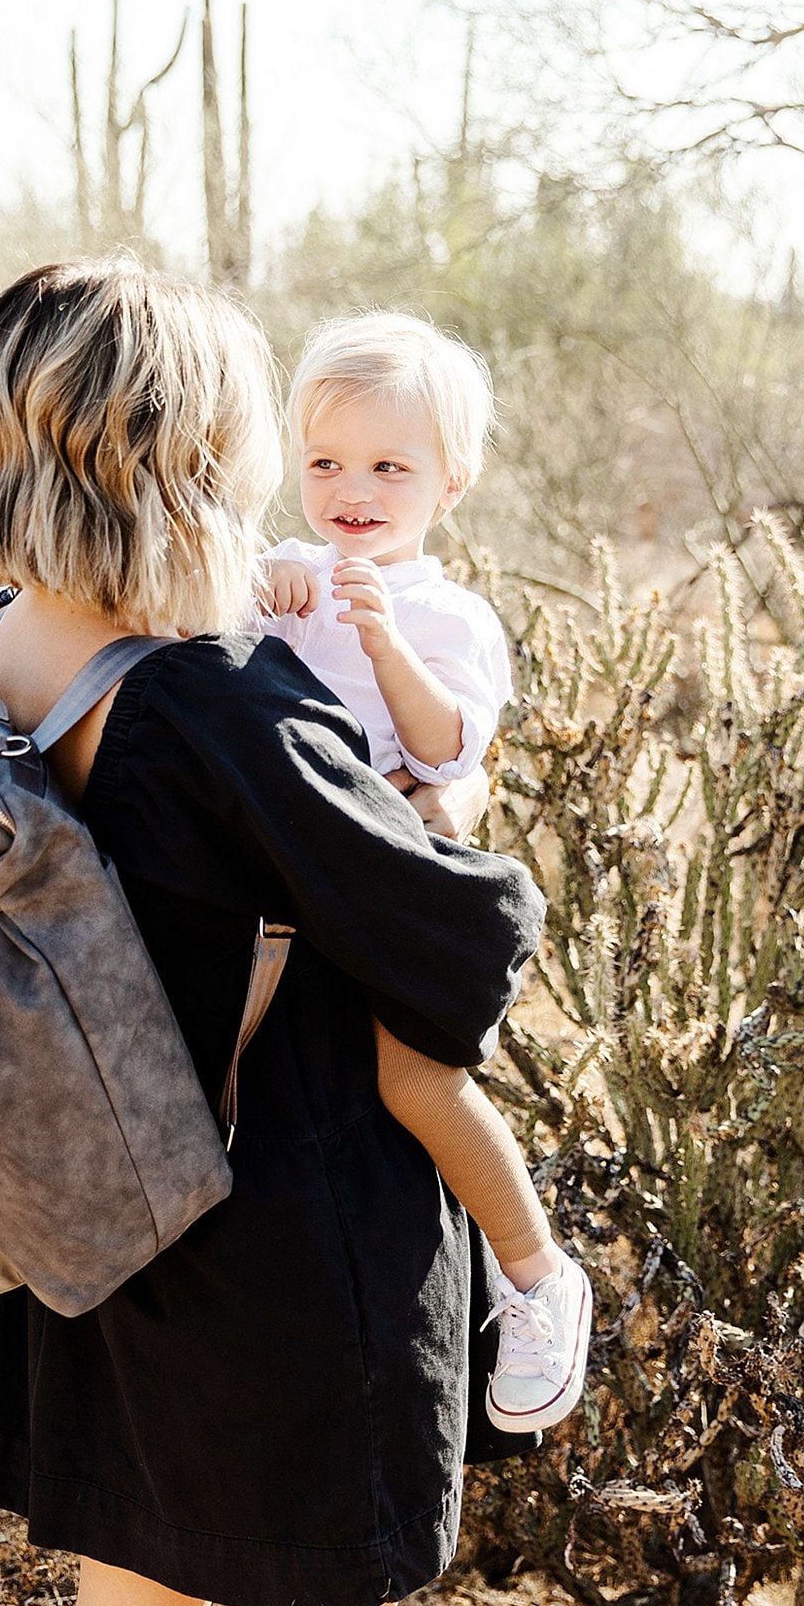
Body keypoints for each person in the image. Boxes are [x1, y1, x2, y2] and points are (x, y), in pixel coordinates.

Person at [0, 260, 548, 1606]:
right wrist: (462, 803)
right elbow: (462, 938)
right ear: (190, 449)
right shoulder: (214, 693)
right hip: (294, 1242)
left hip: (105, 1218)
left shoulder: (4, 642)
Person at [257, 313, 591, 1434]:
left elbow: (450, 753)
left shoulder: (449, 614)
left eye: (389, 466)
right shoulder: (286, 576)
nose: (352, 489)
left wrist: (386, 641)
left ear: (452, 484)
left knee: (416, 1082)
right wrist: (261, 592)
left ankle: (535, 1275)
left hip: (394, 890)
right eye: (325, 463)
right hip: (291, 900)